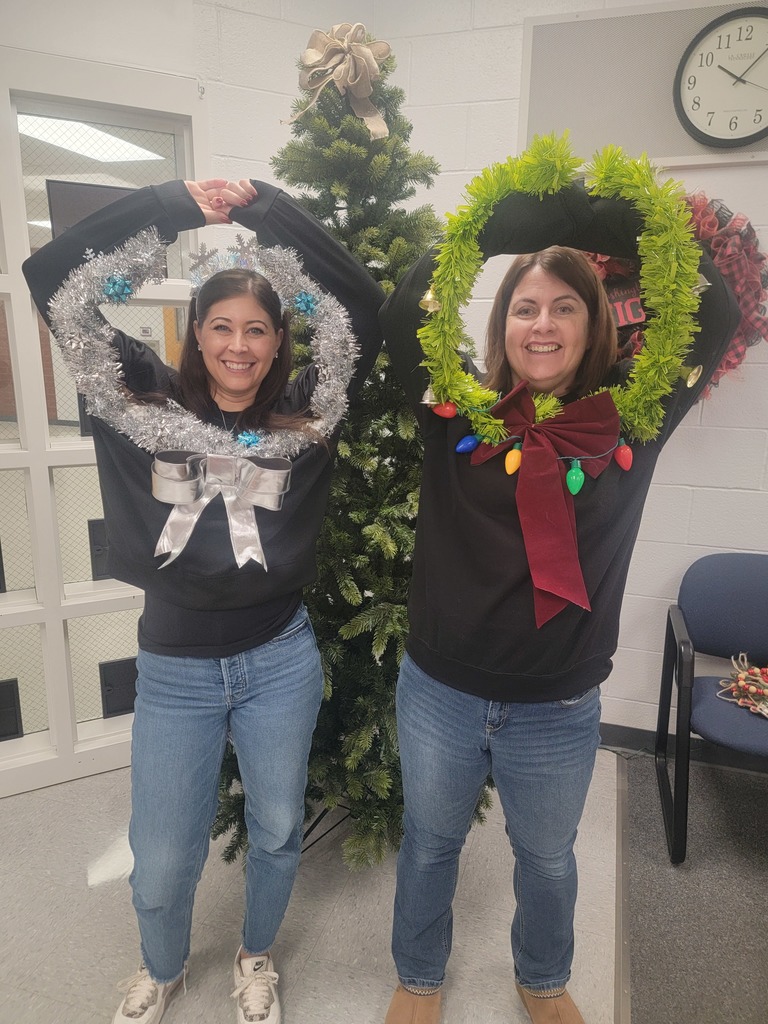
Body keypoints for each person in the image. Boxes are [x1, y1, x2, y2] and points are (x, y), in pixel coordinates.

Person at [23, 176, 385, 1024]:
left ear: (278, 342)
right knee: (161, 852)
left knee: (278, 826)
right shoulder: (136, 398)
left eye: (257, 329)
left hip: (279, 659)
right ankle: (162, 966)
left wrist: (266, 210)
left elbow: (362, 307)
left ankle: (257, 957)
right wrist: (173, 205)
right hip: (176, 667)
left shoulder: (309, 413)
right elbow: (53, 286)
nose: (237, 344)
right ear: (196, 333)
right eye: (221, 325)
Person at [378, 181, 739, 1024]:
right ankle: (418, 978)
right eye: (524, 307)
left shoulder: (633, 419)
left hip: (558, 701)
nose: (541, 324)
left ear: (593, 325)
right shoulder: (453, 412)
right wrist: (510, 221)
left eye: (564, 307)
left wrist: (583, 220)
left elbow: (714, 309)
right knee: (430, 846)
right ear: (501, 324)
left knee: (545, 857)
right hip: (440, 693)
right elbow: (404, 308)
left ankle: (543, 979)